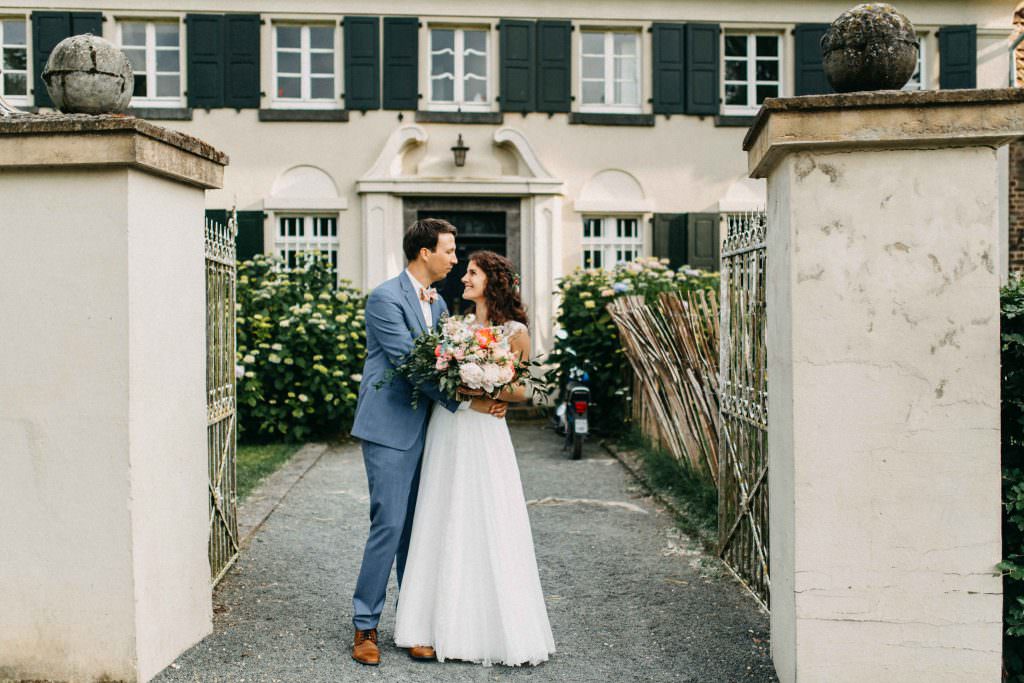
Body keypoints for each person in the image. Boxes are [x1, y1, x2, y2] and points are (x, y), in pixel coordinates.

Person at [349, 219, 506, 667]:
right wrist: (471, 403)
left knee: (422, 531)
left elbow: (446, 361)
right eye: (449, 251)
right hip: (389, 430)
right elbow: (409, 364)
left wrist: (486, 388)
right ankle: (365, 626)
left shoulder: (437, 306)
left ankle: (415, 625)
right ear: (424, 253)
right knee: (390, 525)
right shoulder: (384, 298)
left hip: (432, 431)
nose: (455, 260)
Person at [394, 250, 556, 667]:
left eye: (472, 273)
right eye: (464, 271)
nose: (464, 278)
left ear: (492, 281)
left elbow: (522, 391)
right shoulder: (456, 326)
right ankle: (428, 626)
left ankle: (490, 628)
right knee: (440, 513)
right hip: (449, 429)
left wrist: (485, 387)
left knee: (487, 516)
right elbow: (437, 378)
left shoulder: (515, 331)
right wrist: (466, 389)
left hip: (485, 433)